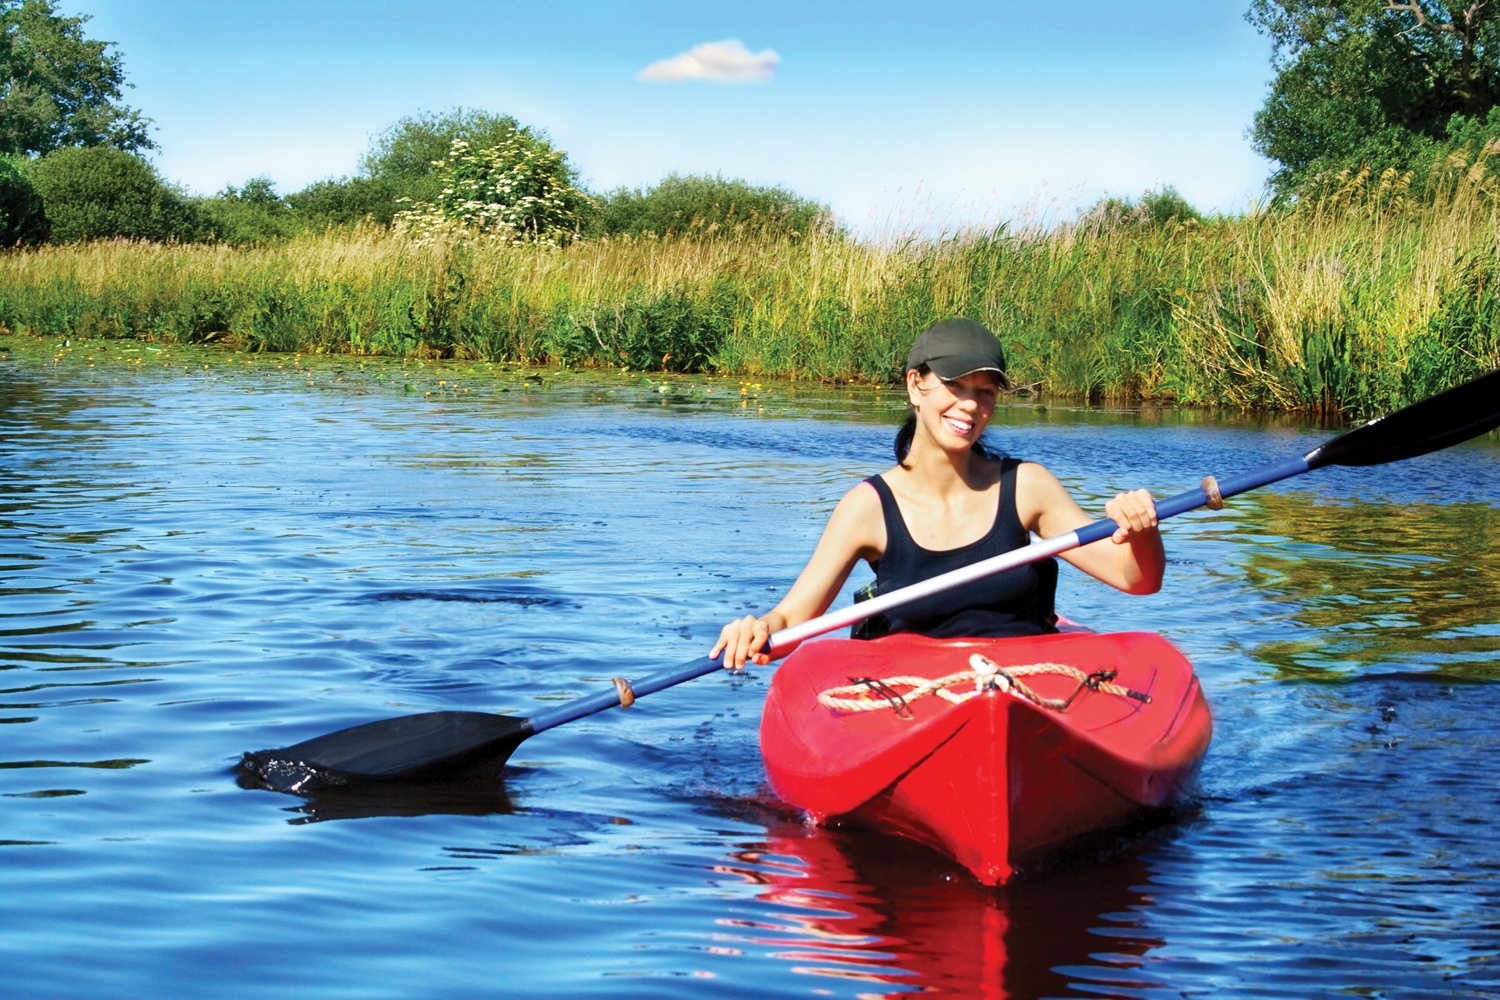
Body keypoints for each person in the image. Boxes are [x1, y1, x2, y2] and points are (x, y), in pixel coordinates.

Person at [711, 318, 1164, 670]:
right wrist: (758, 628)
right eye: (955, 385)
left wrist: (1141, 532)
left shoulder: (1027, 487)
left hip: (1024, 680)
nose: (970, 404)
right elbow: (793, 620)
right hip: (916, 695)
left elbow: (1135, 579)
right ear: (915, 386)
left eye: (985, 392)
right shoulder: (868, 508)